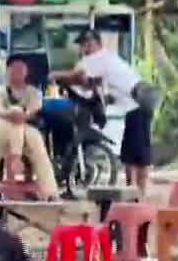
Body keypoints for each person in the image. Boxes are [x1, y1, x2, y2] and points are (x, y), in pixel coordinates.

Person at [64, 28, 154, 192]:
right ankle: (133, 191)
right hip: (136, 103)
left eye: (87, 43)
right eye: (83, 45)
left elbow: (76, 76)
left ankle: (139, 193)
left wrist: (51, 76)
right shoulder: (108, 58)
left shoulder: (99, 58)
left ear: (97, 43)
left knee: (138, 153)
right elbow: (93, 83)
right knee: (130, 152)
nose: (84, 48)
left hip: (138, 102)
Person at [0, 58, 59, 198]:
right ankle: (16, 160)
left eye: (21, 69)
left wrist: (20, 115)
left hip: (25, 129)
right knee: (16, 116)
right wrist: (13, 114)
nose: (17, 73)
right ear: (7, 71)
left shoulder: (33, 92)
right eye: (14, 69)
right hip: (3, 128)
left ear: (26, 72)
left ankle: (49, 192)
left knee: (35, 139)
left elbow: (32, 111)